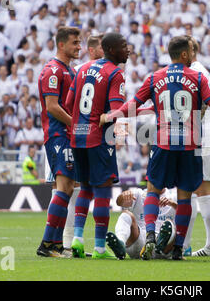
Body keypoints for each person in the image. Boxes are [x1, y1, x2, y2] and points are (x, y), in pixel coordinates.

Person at [101, 35, 210, 260]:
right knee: (185, 197)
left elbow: (134, 104)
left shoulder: (154, 77)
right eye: (191, 50)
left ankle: (150, 234)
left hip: (163, 143)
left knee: (153, 190)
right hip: (189, 144)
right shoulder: (197, 77)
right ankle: (178, 248)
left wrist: (113, 115)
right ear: (185, 54)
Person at [65, 32, 130, 259]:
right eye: (124, 46)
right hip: (99, 138)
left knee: (84, 189)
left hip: (78, 136)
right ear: (111, 50)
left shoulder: (82, 68)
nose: (128, 49)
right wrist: (120, 137)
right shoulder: (115, 73)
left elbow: (69, 103)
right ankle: (101, 248)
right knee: (103, 190)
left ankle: (77, 240)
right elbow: (116, 111)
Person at [36, 26, 81, 258]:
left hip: (67, 135)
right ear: (61, 45)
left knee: (68, 188)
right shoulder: (52, 71)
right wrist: (74, 124)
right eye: (75, 42)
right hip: (57, 135)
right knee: (63, 188)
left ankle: (55, 245)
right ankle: (46, 244)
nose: (79, 47)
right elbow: (52, 106)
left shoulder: (70, 72)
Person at [183, 37, 210, 257]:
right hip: (203, 135)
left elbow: (205, 103)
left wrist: (192, 126)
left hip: (202, 136)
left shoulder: (198, 71)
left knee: (201, 190)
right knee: (192, 190)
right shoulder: (198, 70)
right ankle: (189, 244)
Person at [106, 188, 178, 260]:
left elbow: (186, 215)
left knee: (170, 224)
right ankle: (121, 243)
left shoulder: (173, 196)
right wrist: (123, 196)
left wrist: (173, 204)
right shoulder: (139, 193)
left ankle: (159, 245)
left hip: (164, 245)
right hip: (140, 241)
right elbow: (119, 202)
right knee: (126, 214)